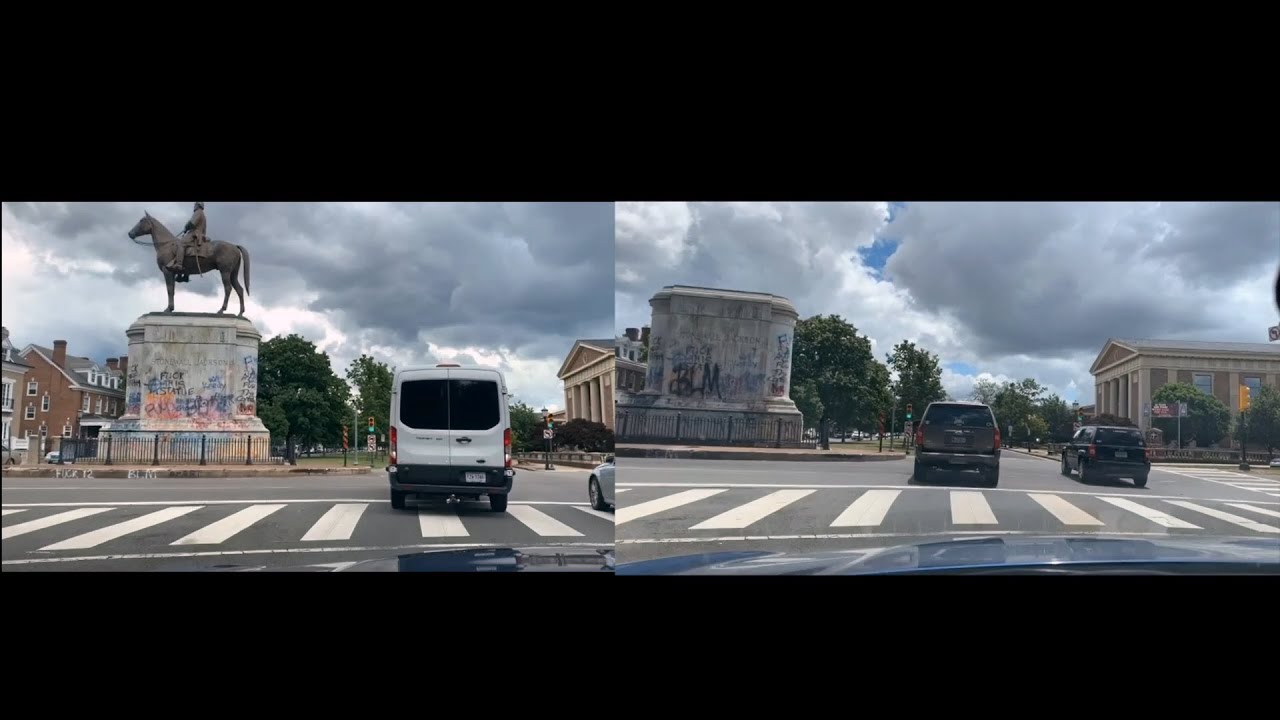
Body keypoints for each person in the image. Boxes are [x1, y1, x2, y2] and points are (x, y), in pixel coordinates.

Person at [168, 202, 207, 282]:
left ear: (198, 205)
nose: (194, 206)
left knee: (180, 244)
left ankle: (179, 264)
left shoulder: (198, 212)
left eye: (195, 204)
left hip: (195, 234)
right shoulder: (202, 214)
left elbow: (192, 223)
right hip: (199, 234)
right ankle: (185, 274)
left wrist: (186, 227)